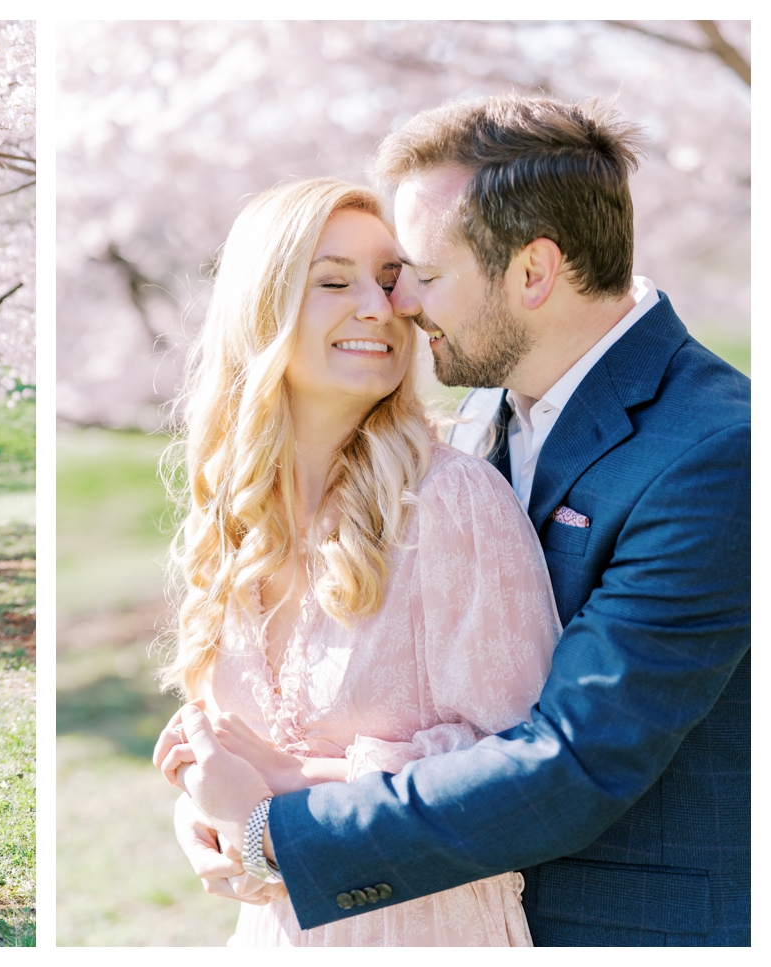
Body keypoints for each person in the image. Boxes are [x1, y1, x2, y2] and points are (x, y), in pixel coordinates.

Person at [165, 95, 750, 946]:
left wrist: (273, 831)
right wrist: (218, 809)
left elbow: (574, 759)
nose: (398, 303)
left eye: (423, 274)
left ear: (532, 272)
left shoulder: (715, 451)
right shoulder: (484, 414)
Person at [150, 177, 562, 945]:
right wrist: (207, 819)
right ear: (261, 307)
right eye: (334, 281)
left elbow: (518, 776)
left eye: (391, 279)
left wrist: (284, 787)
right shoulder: (234, 518)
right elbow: (233, 778)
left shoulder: (451, 503)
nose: (380, 306)